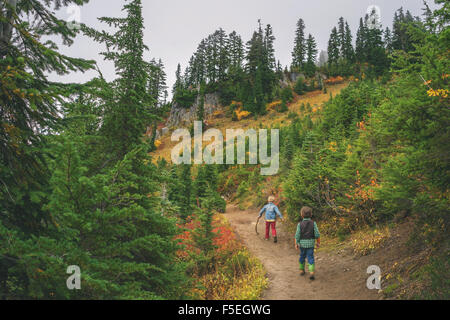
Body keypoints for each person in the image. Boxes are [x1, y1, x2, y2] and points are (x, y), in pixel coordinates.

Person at [295, 206, 321, 280]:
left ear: (301, 215)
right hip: (311, 244)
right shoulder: (313, 223)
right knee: (310, 257)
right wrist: (318, 243)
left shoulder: (299, 224)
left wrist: (296, 243)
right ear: (311, 214)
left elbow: (297, 235)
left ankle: (301, 270)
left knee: (302, 256)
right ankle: (311, 271)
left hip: (302, 244)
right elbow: (317, 234)